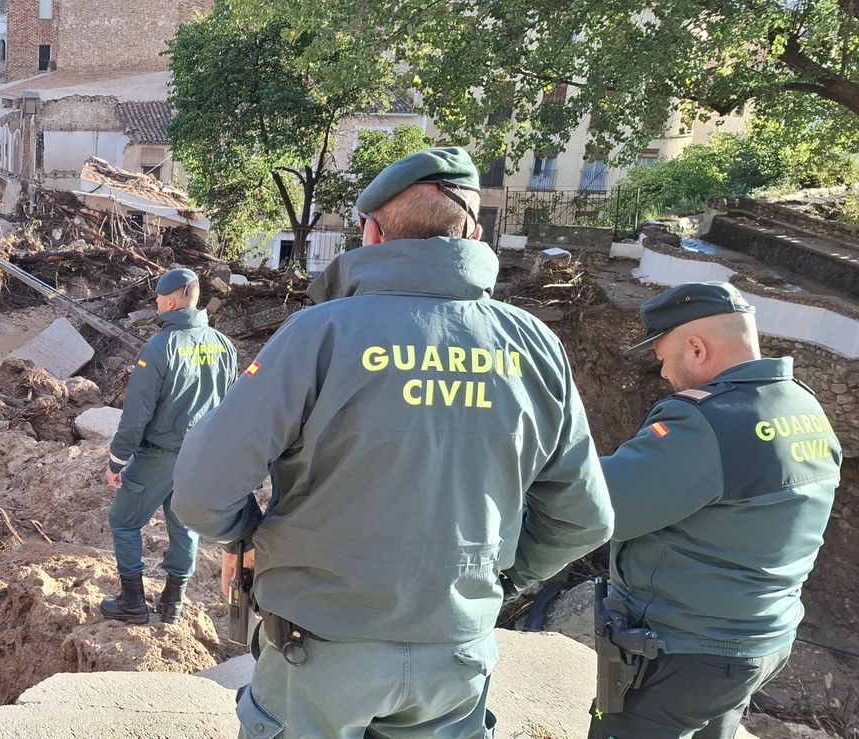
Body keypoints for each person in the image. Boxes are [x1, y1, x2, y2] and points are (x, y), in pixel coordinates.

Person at [172, 147, 614, 738]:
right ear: (475, 235)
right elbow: (584, 517)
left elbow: (202, 490)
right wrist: (495, 579)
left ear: (371, 233)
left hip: (319, 647)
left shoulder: (319, 333)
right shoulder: (533, 345)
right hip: (455, 652)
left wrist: (248, 537)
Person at [589, 282, 841, 739]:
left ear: (697, 347)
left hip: (684, 647)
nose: (663, 373)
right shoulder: (805, 407)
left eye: (663, 357)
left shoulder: (706, 421)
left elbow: (603, 507)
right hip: (758, 640)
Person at [99, 267, 238, 625]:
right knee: (184, 526)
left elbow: (136, 415)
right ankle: (172, 604)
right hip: (200, 457)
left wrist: (117, 461)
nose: (157, 305)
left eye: (159, 300)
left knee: (124, 522)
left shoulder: (160, 346)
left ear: (173, 300)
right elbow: (231, 407)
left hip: (160, 455)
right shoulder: (224, 345)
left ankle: (133, 603)